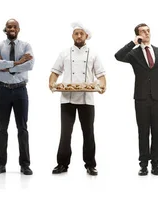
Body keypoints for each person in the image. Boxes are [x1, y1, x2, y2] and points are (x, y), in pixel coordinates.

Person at [114, 23, 158, 176]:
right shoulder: (134, 54)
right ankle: (143, 164)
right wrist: (133, 42)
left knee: (157, 132)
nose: (147, 33)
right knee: (143, 132)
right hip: (141, 98)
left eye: (148, 30)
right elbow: (118, 56)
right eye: (143, 31)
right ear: (138, 34)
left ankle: (155, 164)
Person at [48, 22, 106, 176]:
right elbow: (55, 72)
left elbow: (100, 75)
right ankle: (62, 164)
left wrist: (102, 86)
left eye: (81, 33)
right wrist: (51, 83)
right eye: (76, 33)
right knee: (65, 133)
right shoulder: (65, 53)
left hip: (87, 99)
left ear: (86, 36)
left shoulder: (93, 53)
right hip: (67, 99)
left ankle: (90, 164)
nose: (79, 36)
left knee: (88, 133)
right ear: (72, 36)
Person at [0, 19, 34, 176]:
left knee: (22, 128)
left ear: (19, 29)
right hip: (3, 91)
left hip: (21, 90)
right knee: (2, 128)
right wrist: (18, 62)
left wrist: (6, 65)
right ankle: (0, 165)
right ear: (5, 29)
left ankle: (25, 165)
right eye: (9, 26)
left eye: (14, 27)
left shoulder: (26, 46)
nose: (12, 29)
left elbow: (30, 65)